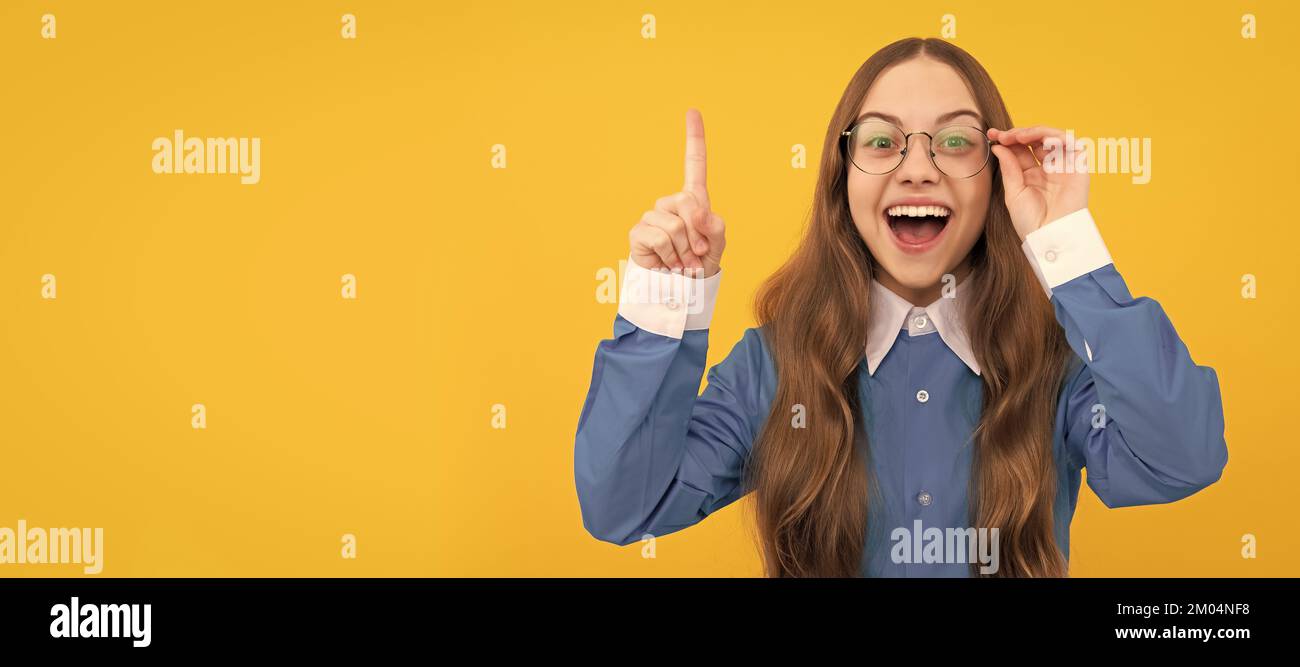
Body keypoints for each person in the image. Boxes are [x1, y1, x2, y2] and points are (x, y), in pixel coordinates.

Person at [573, 37, 1228, 577]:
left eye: (954, 142)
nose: (917, 169)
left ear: (998, 180)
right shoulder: (770, 369)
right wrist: (666, 299)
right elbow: (625, 507)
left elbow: (1182, 457)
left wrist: (1068, 244)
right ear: (843, 180)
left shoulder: (1057, 365)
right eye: (883, 142)